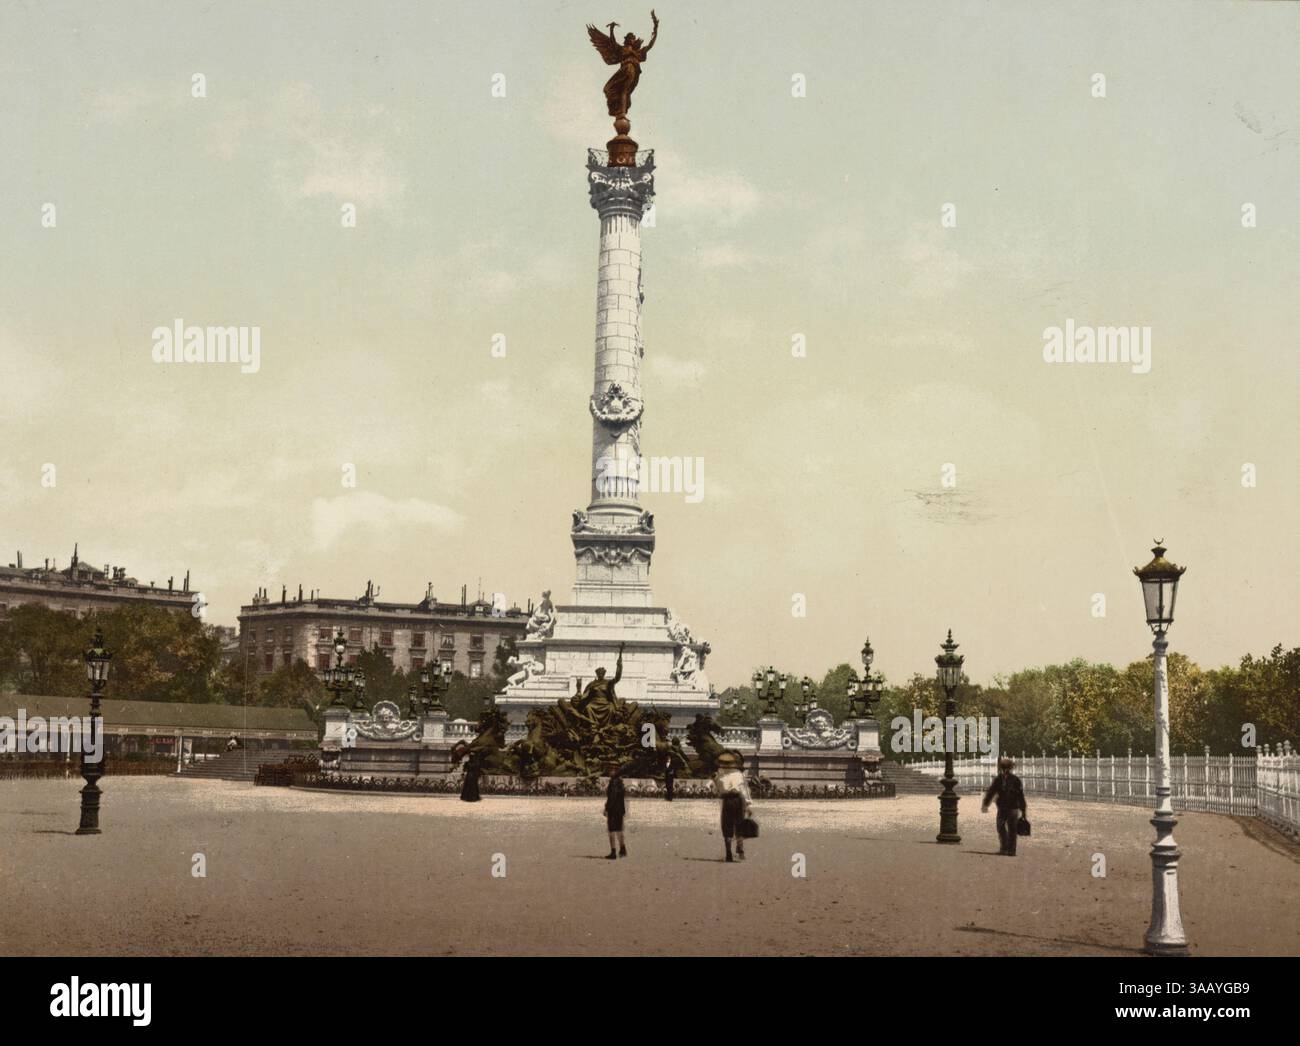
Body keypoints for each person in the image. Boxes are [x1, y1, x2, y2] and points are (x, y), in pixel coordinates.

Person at [981, 756, 1027, 856]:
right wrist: (986, 803)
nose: (1005, 770)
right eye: (1003, 768)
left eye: (1007, 768)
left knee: (1012, 829)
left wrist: (1023, 810)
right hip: (1002, 807)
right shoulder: (998, 779)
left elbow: (1020, 795)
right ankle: (1005, 847)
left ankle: (1011, 850)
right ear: (1001, 769)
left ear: (1010, 769)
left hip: (1013, 807)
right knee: (1000, 827)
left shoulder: (1015, 780)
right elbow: (991, 792)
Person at [713, 752, 751, 862]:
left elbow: (718, 792)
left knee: (727, 825)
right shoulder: (739, 774)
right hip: (738, 800)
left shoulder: (720, 776)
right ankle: (740, 848)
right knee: (739, 824)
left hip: (727, 800)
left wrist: (716, 781)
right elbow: (744, 791)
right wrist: (748, 805)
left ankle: (728, 853)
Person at [604, 764, 627, 859]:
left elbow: (612, 797)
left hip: (613, 809)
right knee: (619, 830)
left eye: (611, 770)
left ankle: (613, 852)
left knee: (611, 831)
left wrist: (607, 808)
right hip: (620, 809)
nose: (609, 772)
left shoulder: (613, 782)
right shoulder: (620, 782)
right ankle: (622, 849)